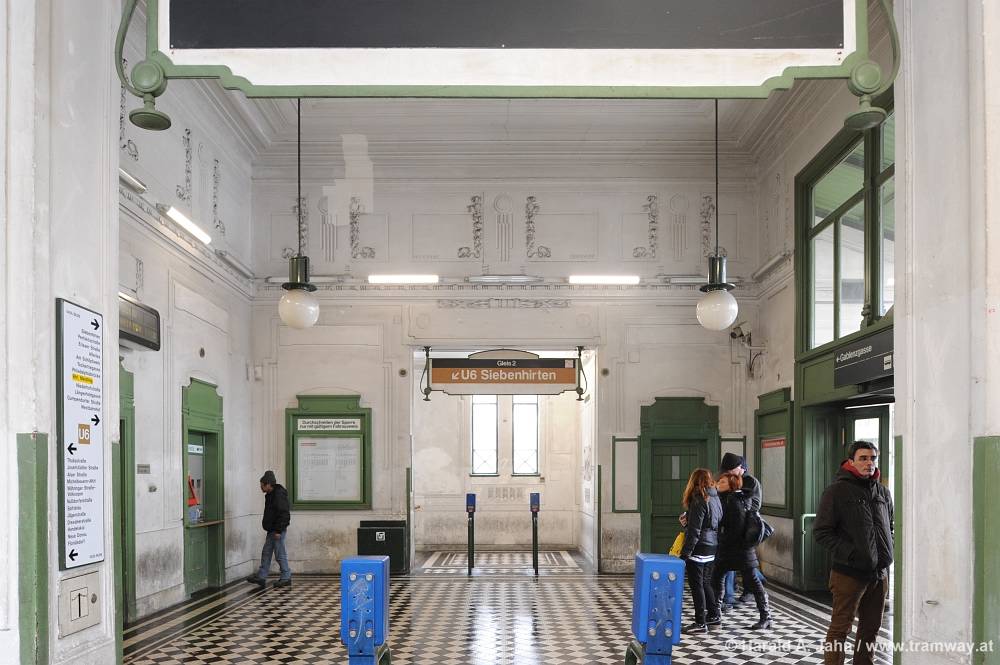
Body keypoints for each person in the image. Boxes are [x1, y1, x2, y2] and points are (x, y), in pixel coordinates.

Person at [814, 441, 893, 665]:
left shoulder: (883, 492)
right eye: (863, 458)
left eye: (873, 458)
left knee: (871, 629)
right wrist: (853, 554)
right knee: (840, 629)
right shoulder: (836, 492)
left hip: (879, 574)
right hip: (848, 574)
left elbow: (890, 526)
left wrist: (886, 551)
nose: (869, 463)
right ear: (851, 461)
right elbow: (822, 532)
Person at [711, 472, 772, 630]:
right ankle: (715, 615)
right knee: (717, 578)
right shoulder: (731, 499)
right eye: (718, 482)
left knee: (752, 581)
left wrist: (722, 538)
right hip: (735, 549)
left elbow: (735, 528)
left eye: (722, 482)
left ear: (731, 485)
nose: (718, 484)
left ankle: (765, 617)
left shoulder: (734, 501)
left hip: (739, 549)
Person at [677, 468, 723, 633]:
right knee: (706, 582)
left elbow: (695, 531)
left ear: (693, 481)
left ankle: (700, 623)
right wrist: (688, 520)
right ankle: (714, 616)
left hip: (699, 547)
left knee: (697, 585)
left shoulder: (698, 499)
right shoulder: (715, 497)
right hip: (712, 545)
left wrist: (685, 554)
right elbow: (714, 522)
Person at [719, 453, 767, 605]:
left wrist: (738, 504)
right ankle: (729, 596)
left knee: (741, 562)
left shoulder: (751, 482)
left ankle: (731, 596)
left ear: (740, 468)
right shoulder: (729, 480)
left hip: (747, 529)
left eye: (730, 470)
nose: (727, 473)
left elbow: (755, 505)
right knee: (741, 562)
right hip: (734, 527)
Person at [245, 470, 292, 588]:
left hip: (277, 530)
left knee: (279, 554)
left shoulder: (278, 495)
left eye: (262, 485)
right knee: (266, 552)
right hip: (272, 530)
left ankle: (286, 577)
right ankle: (261, 576)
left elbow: (284, 514)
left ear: (269, 484)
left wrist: (278, 530)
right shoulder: (271, 494)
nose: (261, 487)